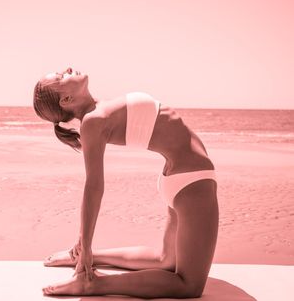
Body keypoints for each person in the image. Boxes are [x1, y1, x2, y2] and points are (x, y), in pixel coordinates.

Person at [33, 67, 218, 298]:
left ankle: (88, 257)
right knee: (188, 285)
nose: (67, 70)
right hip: (193, 182)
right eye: (61, 77)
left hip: (182, 178)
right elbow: (93, 187)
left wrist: (88, 251)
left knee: (166, 260)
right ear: (67, 99)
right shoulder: (92, 121)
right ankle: (93, 284)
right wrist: (85, 243)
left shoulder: (98, 109)